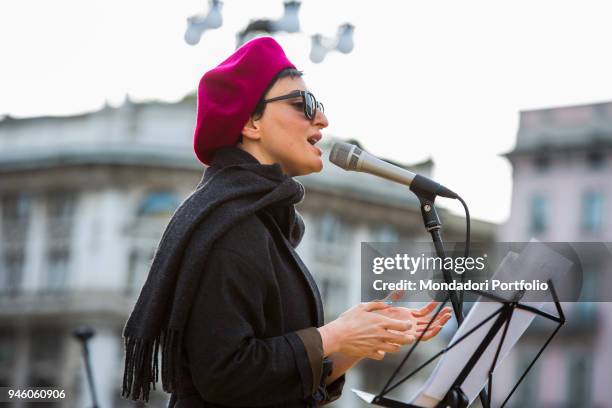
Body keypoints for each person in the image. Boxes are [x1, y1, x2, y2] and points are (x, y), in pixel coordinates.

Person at [121, 37, 451, 408]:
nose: (322, 119)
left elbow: (272, 382)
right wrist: (335, 334)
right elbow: (224, 374)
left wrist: (359, 340)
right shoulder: (229, 224)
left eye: (319, 106)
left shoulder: (259, 222)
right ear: (250, 122)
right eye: (303, 104)